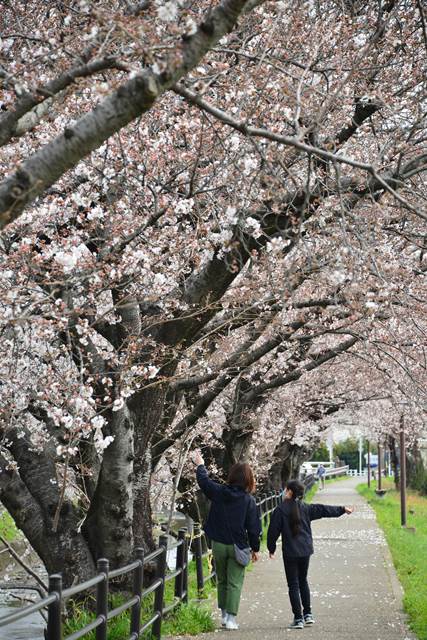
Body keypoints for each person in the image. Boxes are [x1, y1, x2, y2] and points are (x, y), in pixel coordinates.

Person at [267, 479, 354, 630]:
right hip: (305, 551)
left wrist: (271, 548)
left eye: (285, 489)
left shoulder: (280, 510)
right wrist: (342, 509)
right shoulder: (306, 508)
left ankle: (298, 618)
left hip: (290, 552)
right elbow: (323, 510)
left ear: (289, 491)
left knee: (293, 584)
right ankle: (308, 614)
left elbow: (272, 531)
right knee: (303, 581)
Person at [194, 450, 261, 630]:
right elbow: (254, 528)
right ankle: (231, 619)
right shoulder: (248, 501)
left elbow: (204, 482)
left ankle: (223, 615)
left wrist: (200, 464)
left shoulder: (220, 492)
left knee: (222, 579)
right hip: (238, 546)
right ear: (248, 479)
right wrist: (255, 549)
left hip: (218, 544)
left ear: (232, 476)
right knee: (234, 582)